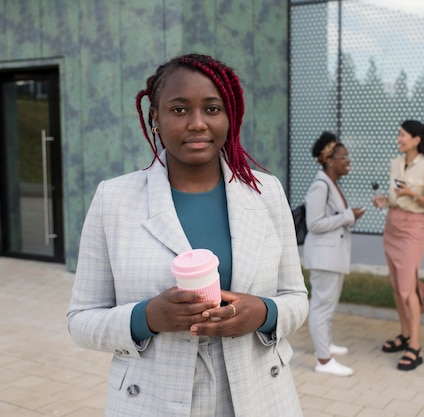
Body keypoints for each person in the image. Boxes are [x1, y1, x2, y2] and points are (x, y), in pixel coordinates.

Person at [67, 53, 309, 416]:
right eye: (179, 110)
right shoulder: (113, 199)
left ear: (231, 116)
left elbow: (296, 297)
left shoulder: (265, 192)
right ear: (156, 118)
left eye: (212, 109)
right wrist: (145, 318)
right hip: (153, 400)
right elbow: (81, 320)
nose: (197, 123)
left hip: (257, 397)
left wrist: (264, 312)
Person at [372, 120, 424, 371]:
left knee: (406, 289)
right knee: (397, 287)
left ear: (416, 140)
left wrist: (411, 194)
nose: (399, 139)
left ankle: (415, 346)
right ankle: (404, 335)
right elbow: (393, 196)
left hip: (412, 229)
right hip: (392, 226)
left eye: (403, 135)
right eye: (398, 134)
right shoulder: (395, 163)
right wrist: (384, 200)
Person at [302, 132, 365, 377]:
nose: (348, 160)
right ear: (329, 160)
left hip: (332, 256)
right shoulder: (320, 185)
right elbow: (314, 223)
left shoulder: (331, 184)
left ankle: (325, 344)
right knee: (321, 306)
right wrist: (349, 216)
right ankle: (324, 360)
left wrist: (348, 216)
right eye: (343, 156)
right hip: (324, 257)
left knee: (328, 305)